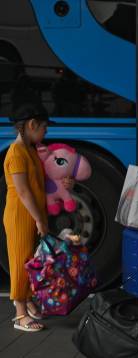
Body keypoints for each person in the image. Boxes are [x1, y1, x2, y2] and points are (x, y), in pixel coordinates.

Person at [3, 103, 64, 332]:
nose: (46, 131)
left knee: (31, 259)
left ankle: (27, 301)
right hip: (20, 214)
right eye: (44, 127)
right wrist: (39, 219)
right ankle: (19, 313)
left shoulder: (29, 150)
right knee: (21, 261)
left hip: (32, 212)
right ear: (31, 125)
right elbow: (23, 191)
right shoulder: (16, 153)